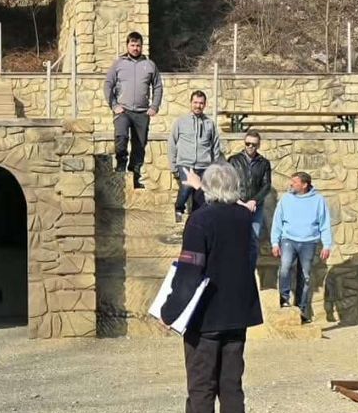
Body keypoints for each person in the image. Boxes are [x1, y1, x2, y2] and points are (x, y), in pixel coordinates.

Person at [160, 163, 263, 413]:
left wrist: (169, 310)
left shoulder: (200, 219)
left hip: (204, 317)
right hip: (237, 313)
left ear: (208, 188)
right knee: (231, 390)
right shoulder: (244, 219)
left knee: (201, 391)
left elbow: (190, 270)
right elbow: (250, 259)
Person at [103, 31, 163, 189]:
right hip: (123, 111)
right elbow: (108, 84)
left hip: (142, 112)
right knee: (121, 137)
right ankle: (121, 168)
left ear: (142, 46)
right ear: (127, 45)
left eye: (138, 45)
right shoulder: (118, 64)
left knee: (139, 145)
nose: (135, 48)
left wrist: (154, 106)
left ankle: (134, 175)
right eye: (132, 45)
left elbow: (157, 86)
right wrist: (114, 105)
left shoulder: (150, 65)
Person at [270, 171, 332, 324]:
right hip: (288, 240)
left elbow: (325, 224)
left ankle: (302, 311)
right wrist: (275, 243)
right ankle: (284, 300)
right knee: (284, 268)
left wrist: (327, 245)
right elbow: (277, 222)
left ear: (304, 185)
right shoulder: (286, 199)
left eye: (295, 182)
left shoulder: (318, 200)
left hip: (309, 242)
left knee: (305, 276)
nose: (291, 184)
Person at [168, 90, 222, 222]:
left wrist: (214, 166)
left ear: (205, 105)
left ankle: (195, 220)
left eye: (201, 103)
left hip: (204, 165)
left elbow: (215, 145)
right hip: (186, 164)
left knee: (200, 196)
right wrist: (173, 166)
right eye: (195, 102)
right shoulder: (181, 122)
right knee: (186, 187)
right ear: (191, 103)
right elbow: (172, 144)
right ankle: (179, 209)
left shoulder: (210, 124)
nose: (198, 105)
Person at [227, 132, 272, 269]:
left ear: (258, 145)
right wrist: (238, 201)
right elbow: (228, 183)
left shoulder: (264, 163)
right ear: (244, 143)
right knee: (234, 238)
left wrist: (253, 201)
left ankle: (249, 272)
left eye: (254, 144)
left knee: (253, 239)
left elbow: (266, 186)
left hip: (255, 207)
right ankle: (234, 269)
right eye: (248, 143)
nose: (250, 146)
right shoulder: (233, 160)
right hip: (236, 205)